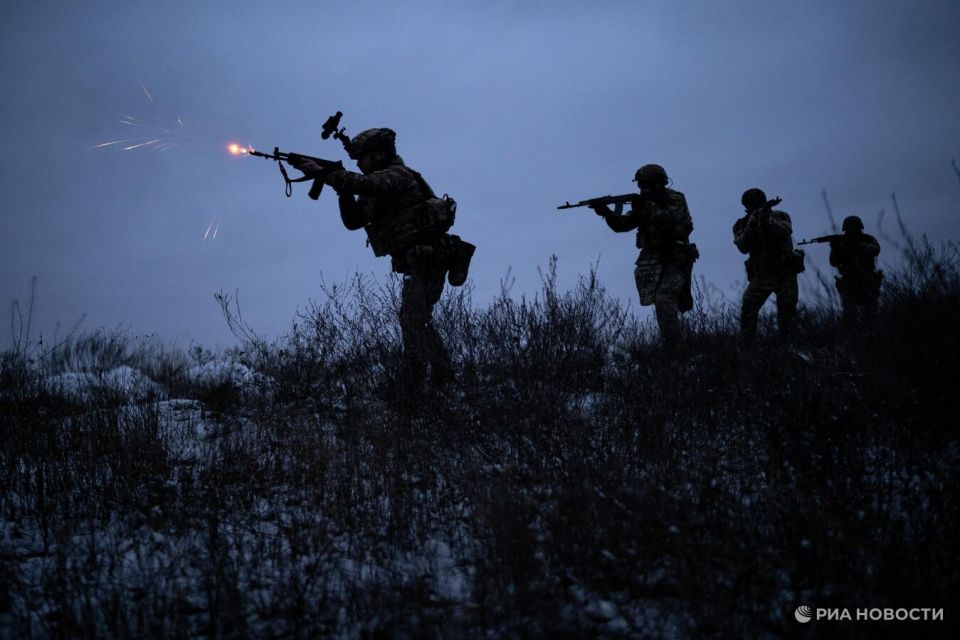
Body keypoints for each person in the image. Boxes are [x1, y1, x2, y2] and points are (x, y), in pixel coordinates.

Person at [291, 127, 475, 391]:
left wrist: (328, 174)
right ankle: (439, 379)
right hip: (414, 261)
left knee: (413, 319)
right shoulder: (374, 186)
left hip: (430, 256)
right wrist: (340, 189)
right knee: (414, 319)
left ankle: (422, 385)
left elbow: (367, 183)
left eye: (363, 158)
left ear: (379, 154)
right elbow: (354, 221)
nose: (359, 164)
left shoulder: (397, 175)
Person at [590, 164, 697, 347]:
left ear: (656, 183)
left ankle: (675, 349)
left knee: (665, 299)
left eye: (644, 185)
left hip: (675, 255)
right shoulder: (644, 204)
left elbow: (670, 221)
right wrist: (607, 213)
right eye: (639, 185)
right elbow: (622, 225)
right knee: (659, 301)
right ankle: (672, 345)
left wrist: (644, 208)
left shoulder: (674, 199)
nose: (641, 189)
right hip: (652, 259)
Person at [733, 188, 804, 340]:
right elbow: (743, 247)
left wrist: (767, 220)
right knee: (749, 308)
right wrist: (752, 224)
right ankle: (747, 347)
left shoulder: (780, 216)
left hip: (785, 272)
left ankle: (788, 347)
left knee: (787, 313)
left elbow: (784, 233)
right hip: (761, 274)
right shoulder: (741, 224)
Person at [829, 215, 882, 323]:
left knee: (871, 314)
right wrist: (836, 249)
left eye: (854, 230)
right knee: (849, 316)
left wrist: (857, 245)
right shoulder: (841, 242)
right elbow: (833, 262)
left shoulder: (867, 239)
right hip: (849, 282)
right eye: (849, 230)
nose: (851, 232)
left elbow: (875, 250)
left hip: (867, 280)